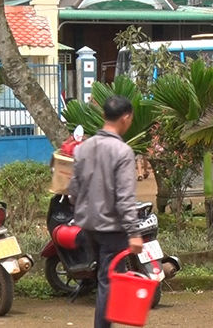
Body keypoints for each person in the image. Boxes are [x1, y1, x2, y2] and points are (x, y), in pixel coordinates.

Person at [67, 96, 143, 328]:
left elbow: (73, 190)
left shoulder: (83, 148)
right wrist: (133, 232)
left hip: (88, 226)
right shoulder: (122, 151)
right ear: (126, 117)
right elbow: (125, 197)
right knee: (108, 282)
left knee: (105, 278)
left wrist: (82, 211)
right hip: (112, 229)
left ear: (103, 116)